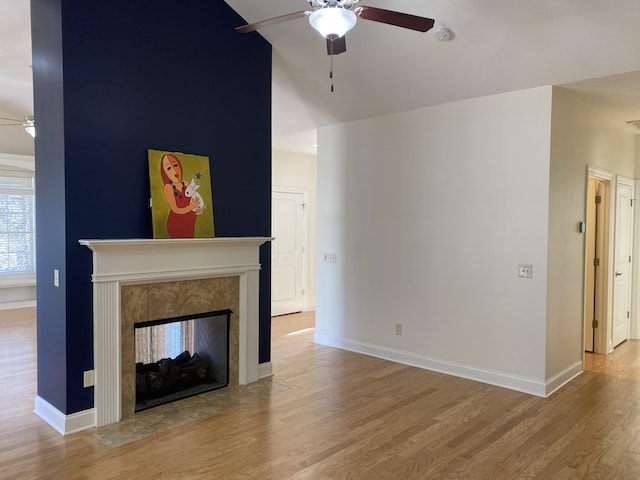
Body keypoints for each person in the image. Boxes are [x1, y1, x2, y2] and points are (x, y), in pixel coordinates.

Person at [160, 153, 203, 238]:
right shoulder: (168, 188)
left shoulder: (186, 184)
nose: (174, 171)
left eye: (175, 165)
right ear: (165, 173)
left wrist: (199, 210)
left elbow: (194, 200)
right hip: (176, 223)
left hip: (189, 222)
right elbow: (176, 209)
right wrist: (192, 206)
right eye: (169, 168)